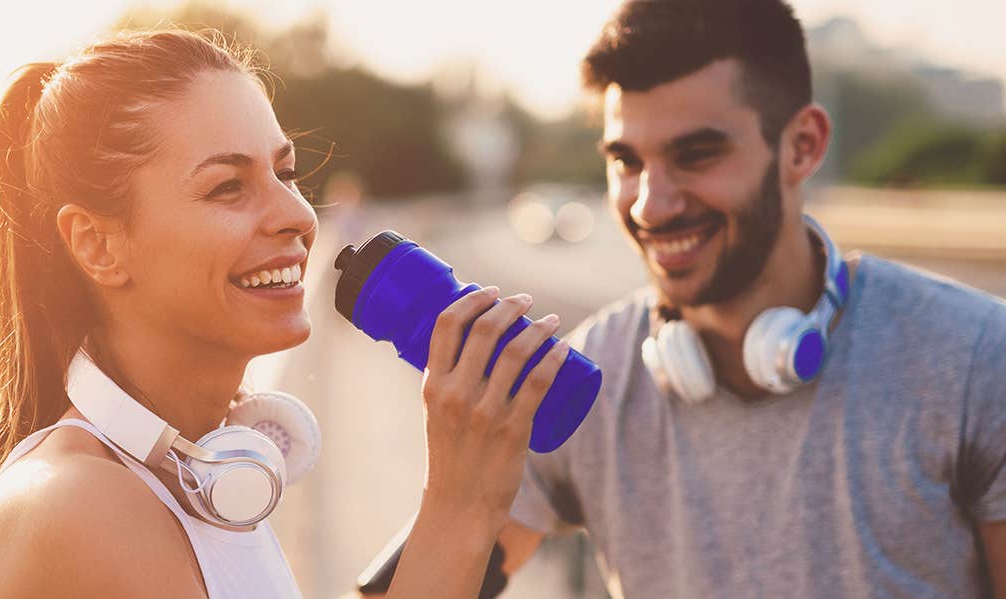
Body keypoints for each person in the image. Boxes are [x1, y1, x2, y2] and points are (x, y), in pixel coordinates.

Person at [357, 1, 1006, 597]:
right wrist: (453, 492)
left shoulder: (974, 359)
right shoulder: (584, 379)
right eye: (627, 161)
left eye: (696, 155)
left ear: (802, 145)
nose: (649, 204)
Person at [0, 28, 572, 599]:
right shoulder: (76, 505)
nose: (296, 215)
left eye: (285, 172)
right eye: (227, 186)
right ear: (99, 245)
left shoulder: (202, 475)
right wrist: (461, 504)